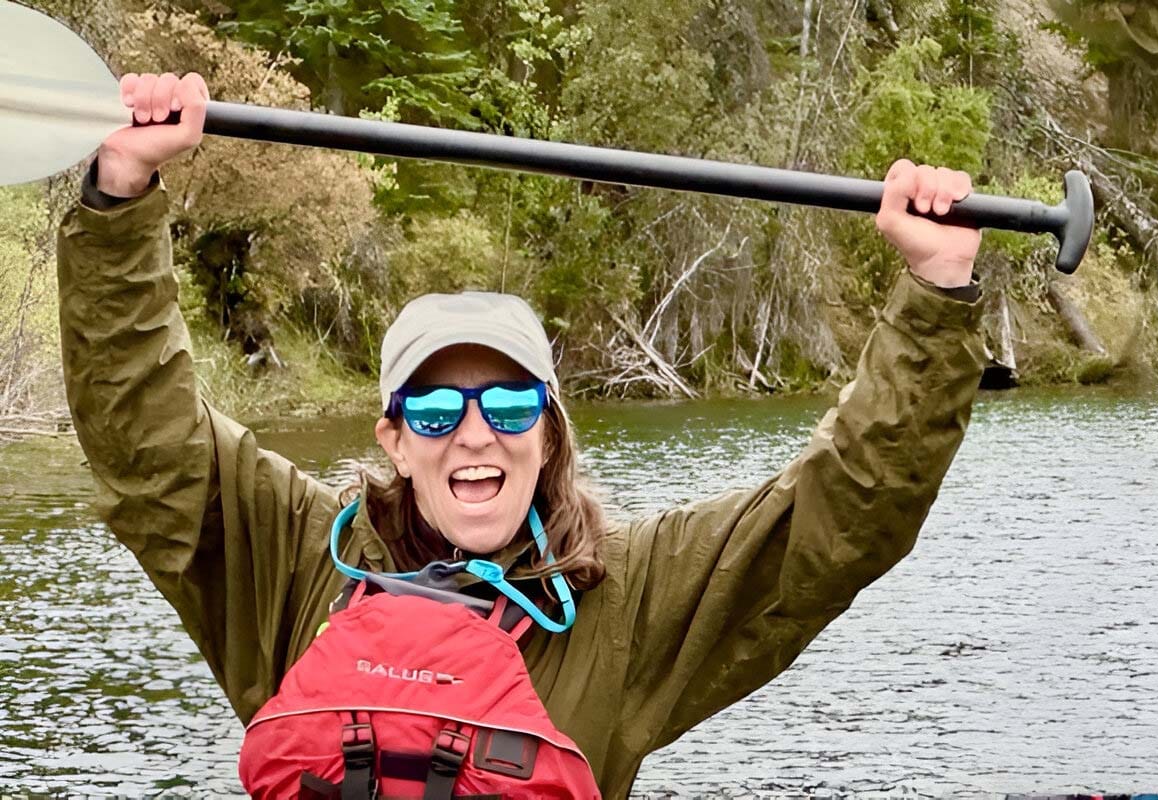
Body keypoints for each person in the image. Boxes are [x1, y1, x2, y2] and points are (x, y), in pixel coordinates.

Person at [57, 71, 986, 798]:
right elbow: (146, 435)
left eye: (507, 407)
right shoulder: (295, 558)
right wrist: (120, 195)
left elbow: (841, 516)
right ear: (393, 439)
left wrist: (937, 294)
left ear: (548, 433)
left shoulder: (635, 592)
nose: (474, 436)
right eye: (435, 409)